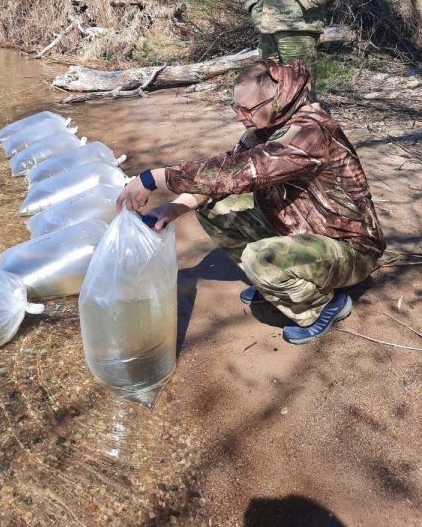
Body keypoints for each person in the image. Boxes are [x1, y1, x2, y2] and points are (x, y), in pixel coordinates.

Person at [116, 59, 385, 344]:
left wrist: (155, 178)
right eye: (236, 107)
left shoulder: (312, 131)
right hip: (302, 232)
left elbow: (249, 170)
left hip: (349, 250)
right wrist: (175, 207)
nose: (239, 117)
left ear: (278, 100)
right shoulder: (266, 128)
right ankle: (279, 285)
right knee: (212, 208)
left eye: (247, 109)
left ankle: (322, 306)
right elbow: (224, 171)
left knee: (260, 259)